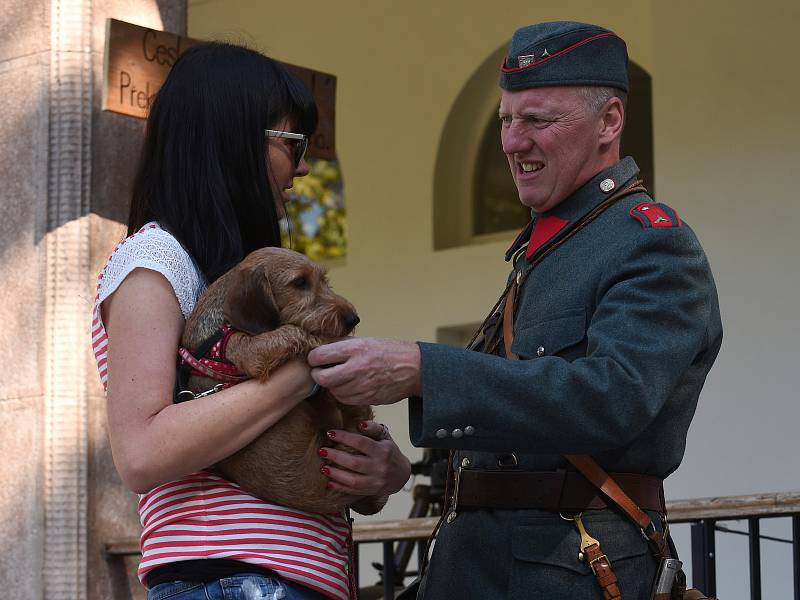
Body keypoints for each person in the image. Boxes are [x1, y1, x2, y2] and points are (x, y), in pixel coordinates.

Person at [308, 21, 723, 599]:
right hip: (480, 568)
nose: (511, 142)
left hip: (571, 570)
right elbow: (514, 434)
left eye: (537, 120)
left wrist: (423, 369)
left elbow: (611, 398)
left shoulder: (651, 243)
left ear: (609, 122)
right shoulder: (550, 247)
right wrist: (395, 467)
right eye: (506, 120)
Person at [92, 42, 411, 600]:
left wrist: (383, 471)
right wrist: (305, 371)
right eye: (293, 144)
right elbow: (142, 453)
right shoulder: (157, 260)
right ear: (234, 143)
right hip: (231, 578)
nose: (305, 166)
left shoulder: (238, 270)